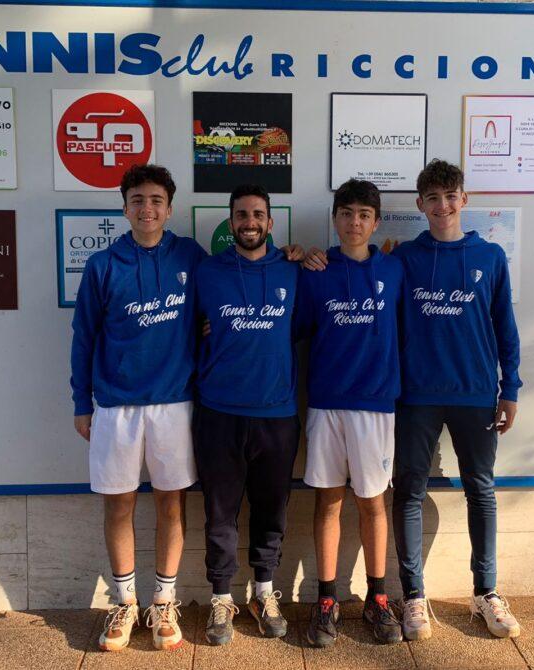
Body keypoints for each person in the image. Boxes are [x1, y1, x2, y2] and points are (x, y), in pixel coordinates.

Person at [70, 163, 205, 651]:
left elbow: (228, 300)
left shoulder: (191, 255)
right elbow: (83, 337)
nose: (147, 208)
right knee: (119, 504)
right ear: (125, 207)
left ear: (170, 208)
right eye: (137, 200)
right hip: (116, 406)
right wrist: (80, 402)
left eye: (155, 200)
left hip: (175, 404)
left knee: (172, 501)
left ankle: (163, 602)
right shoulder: (102, 266)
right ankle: (124, 602)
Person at [390, 159, 522, 640]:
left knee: (480, 491)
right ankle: (414, 598)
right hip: (417, 396)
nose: (442, 206)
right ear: (419, 205)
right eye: (433, 198)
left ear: (464, 200)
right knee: (408, 491)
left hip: (474, 394)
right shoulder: (403, 258)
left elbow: (506, 328)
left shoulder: (490, 258)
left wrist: (511, 389)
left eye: (451, 196)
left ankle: (486, 592)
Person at [295, 179, 404, 648]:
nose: (355, 222)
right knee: (328, 501)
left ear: (375, 222)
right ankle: (327, 599)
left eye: (364, 214)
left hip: (375, 406)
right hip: (325, 404)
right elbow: (294, 327)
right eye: (346, 213)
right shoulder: (315, 270)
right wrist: (294, 254)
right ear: (335, 218)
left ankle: (378, 599)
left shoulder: (396, 268)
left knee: (373, 501)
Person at [192, 184, 301, 646]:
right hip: (218, 412)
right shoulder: (205, 273)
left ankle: (262, 592)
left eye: (258, 214)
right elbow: (183, 330)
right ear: (230, 222)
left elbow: (311, 328)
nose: (249, 222)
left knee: (271, 509)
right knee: (219, 512)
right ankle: (221, 597)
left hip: (277, 414)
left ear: (271, 223)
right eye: (241, 215)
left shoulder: (296, 272)